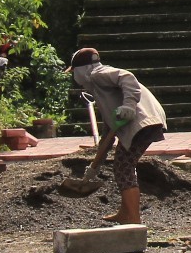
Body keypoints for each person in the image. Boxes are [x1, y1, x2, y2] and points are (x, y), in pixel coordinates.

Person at [68, 47, 168, 225]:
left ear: (81, 70)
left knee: (123, 166)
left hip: (142, 121)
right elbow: (110, 130)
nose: (74, 76)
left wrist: (129, 105)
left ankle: (133, 219)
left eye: (74, 71)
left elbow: (127, 77)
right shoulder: (101, 89)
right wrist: (95, 166)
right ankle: (125, 213)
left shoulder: (98, 74)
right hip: (146, 119)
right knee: (123, 164)